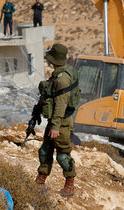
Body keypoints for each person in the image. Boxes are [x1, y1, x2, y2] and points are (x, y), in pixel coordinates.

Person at [35, 43, 80, 198]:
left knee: (62, 155)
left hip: (61, 123)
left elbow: (60, 104)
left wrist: (55, 126)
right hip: (56, 121)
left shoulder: (62, 79)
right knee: (44, 151)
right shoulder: (63, 72)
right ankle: (40, 182)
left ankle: (70, 185)